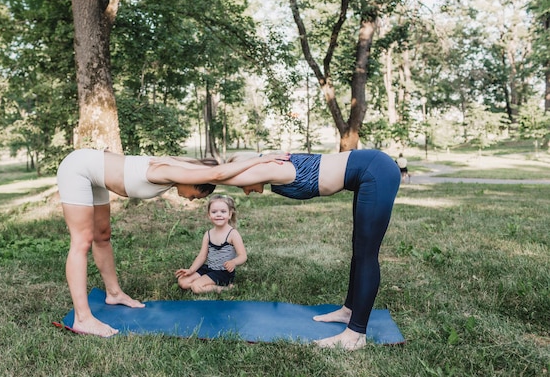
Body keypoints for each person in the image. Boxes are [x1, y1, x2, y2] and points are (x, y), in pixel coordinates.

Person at [56, 148, 289, 337]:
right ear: (193, 181)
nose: (190, 198)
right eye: (195, 195)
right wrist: (263, 160)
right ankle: (83, 318)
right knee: (82, 241)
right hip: (79, 169)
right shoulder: (166, 172)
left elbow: (217, 172)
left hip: (96, 174)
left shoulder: (179, 169)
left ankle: (114, 293)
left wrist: (257, 164)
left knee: (102, 236)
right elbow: (218, 174)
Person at [220, 149, 400, 350]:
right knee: (359, 249)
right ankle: (349, 311)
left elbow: (217, 176)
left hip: (377, 171)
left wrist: (179, 172)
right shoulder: (273, 167)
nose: (245, 190)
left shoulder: (270, 167)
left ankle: (356, 335)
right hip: (370, 170)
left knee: (367, 254)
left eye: (242, 185)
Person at [175, 194, 247, 294]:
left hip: (223, 272)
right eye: (214, 212)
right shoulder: (208, 234)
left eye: (223, 211)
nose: (218, 214)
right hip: (209, 268)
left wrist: (233, 262)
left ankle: (226, 289)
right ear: (209, 215)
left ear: (230, 214)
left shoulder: (233, 234)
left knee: (196, 287)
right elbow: (202, 256)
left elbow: (243, 256)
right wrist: (191, 270)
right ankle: (204, 285)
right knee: (182, 281)